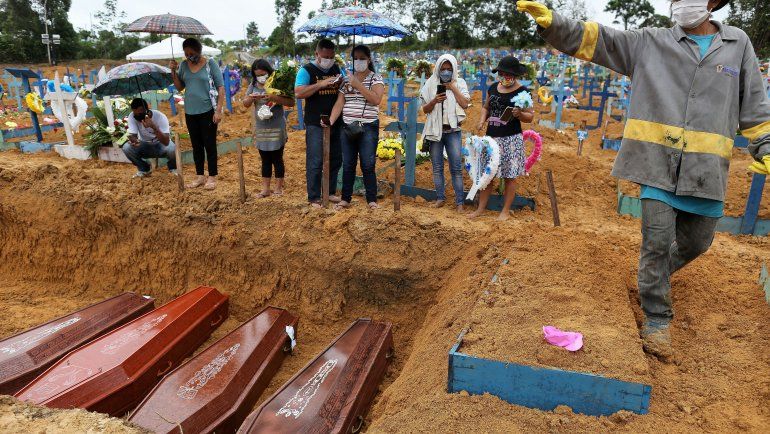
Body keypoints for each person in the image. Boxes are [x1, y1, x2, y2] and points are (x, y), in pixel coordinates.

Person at [517, 0, 770, 358]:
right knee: (655, 243)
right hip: (656, 164)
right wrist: (554, 24)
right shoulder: (650, 41)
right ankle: (657, 319)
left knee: (697, 243)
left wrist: (766, 146)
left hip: (705, 170)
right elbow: (600, 40)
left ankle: (651, 277)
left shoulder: (737, 43)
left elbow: (755, 107)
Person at [468, 56, 534, 221]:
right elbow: (486, 107)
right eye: (502, 73)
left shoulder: (523, 92)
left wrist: (520, 114)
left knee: (510, 176)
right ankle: (480, 209)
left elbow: (530, 116)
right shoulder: (493, 88)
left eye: (508, 73)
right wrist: (482, 120)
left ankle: (505, 211)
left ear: (515, 74)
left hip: (511, 139)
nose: (505, 76)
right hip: (491, 139)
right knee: (488, 174)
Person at [329, 45, 385, 210]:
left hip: (367, 126)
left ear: (369, 59)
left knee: (368, 164)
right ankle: (346, 198)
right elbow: (340, 103)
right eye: (356, 58)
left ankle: (371, 199)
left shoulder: (376, 78)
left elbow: (376, 99)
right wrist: (331, 121)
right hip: (347, 126)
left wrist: (358, 84)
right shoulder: (346, 80)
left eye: (362, 58)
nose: (359, 61)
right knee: (348, 164)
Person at [170, 37, 225, 190]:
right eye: (186, 54)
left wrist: (218, 111)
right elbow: (180, 87)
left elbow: (221, 88)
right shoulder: (183, 65)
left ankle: (212, 176)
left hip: (207, 110)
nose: (189, 56)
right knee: (196, 145)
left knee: (209, 144)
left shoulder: (210, 64)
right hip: (190, 112)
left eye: (192, 53)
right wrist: (173, 71)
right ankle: (200, 176)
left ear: (199, 51)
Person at [295, 39, 344, 208]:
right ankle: (314, 196)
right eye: (325, 56)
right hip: (315, 122)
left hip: (335, 121)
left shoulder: (336, 69)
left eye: (331, 56)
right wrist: (321, 84)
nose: (328, 60)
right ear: (317, 54)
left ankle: (329, 191)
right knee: (315, 160)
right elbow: (299, 92)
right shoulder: (306, 70)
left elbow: (342, 91)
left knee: (336, 158)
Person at [420, 54, 471, 211]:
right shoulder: (430, 84)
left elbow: (465, 104)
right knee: (437, 167)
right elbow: (424, 109)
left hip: (453, 131)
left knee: (456, 168)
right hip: (436, 132)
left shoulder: (460, 83)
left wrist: (453, 87)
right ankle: (440, 197)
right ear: (438, 69)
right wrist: (435, 100)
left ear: (454, 69)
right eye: (443, 69)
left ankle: (459, 202)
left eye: (449, 69)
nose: (446, 72)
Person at [243, 59, 295, 198]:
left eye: (263, 74)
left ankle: (278, 188)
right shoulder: (253, 85)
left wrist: (273, 97)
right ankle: (265, 189)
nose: (261, 77)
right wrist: (251, 98)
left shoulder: (277, 83)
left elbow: (291, 102)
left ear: (269, 72)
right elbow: (245, 103)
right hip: (261, 128)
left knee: (277, 158)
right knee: (265, 158)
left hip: (276, 126)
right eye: (258, 75)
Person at [122, 98, 177, 178]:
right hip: (144, 144)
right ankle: (144, 169)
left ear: (146, 110)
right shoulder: (132, 116)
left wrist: (153, 126)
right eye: (134, 113)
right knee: (127, 147)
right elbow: (133, 135)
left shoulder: (160, 116)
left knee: (172, 149)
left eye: (139, 113)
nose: (136, 116)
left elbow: (166, 142)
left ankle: (173, 168)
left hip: (160, 143)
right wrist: (134, 141)